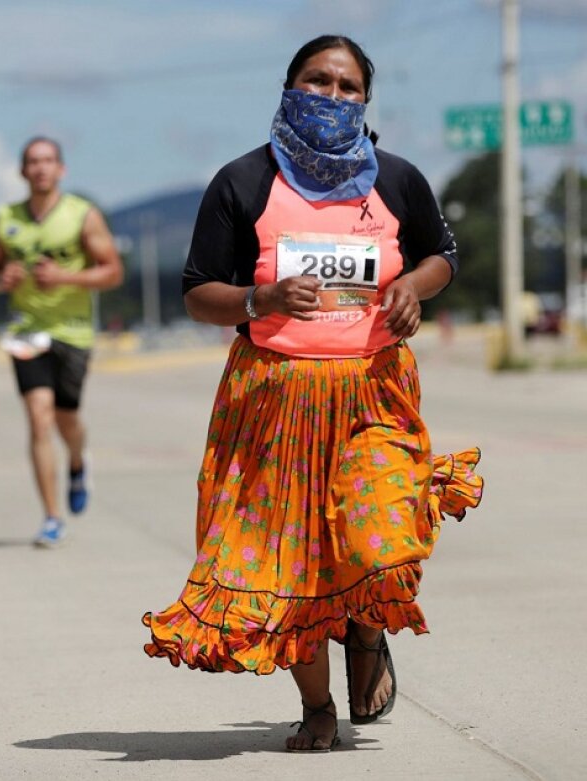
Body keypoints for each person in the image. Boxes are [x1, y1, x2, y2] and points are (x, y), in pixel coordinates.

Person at [140, 37, 484, 752]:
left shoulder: (397, 180)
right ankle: (319, 707)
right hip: (273, 401)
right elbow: (198, 294)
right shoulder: (242, 182)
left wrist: (412, 290)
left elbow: (440, 257)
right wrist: (258, 295)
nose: (331, 94)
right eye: (317, 80)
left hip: (372, 395)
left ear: (366, 98)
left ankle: (365, 631)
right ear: (289, 85)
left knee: (379, 536)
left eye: (348, 85)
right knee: (289, 567)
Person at [0, 137, 124, 547]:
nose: (41, 168)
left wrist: (64, 278)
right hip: (27, 331)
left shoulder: (82, 215)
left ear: (60, 169)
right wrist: (2, 279)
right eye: (33, 162)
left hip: (74, 330)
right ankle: (51, 516)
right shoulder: (7, 218)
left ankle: (78, 462)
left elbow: (112, 272)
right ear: (23, 172)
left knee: (67, 419)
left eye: (48, 161)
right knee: (38, 416)